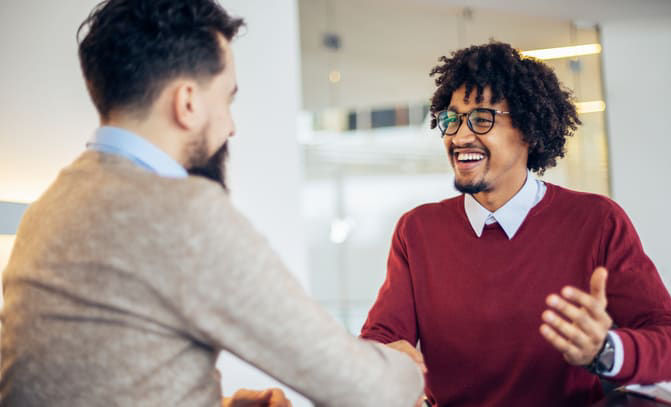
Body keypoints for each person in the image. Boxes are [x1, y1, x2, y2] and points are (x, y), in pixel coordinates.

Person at [0, 1, 424, 406]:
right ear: (187, 102)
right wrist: (404, 367)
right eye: (227, 98)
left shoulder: (48, 208)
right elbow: (366, 390)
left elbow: (88, 380)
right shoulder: (181, 213)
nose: (231, 126)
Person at [360, 41, 671, 406]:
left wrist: (605, 349)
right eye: (451, 119)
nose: (459, 136)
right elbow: (381, 337)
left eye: (481, 118)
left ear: (528, 128)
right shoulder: (417, 230)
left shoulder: (597, 221)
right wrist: (386, 358)